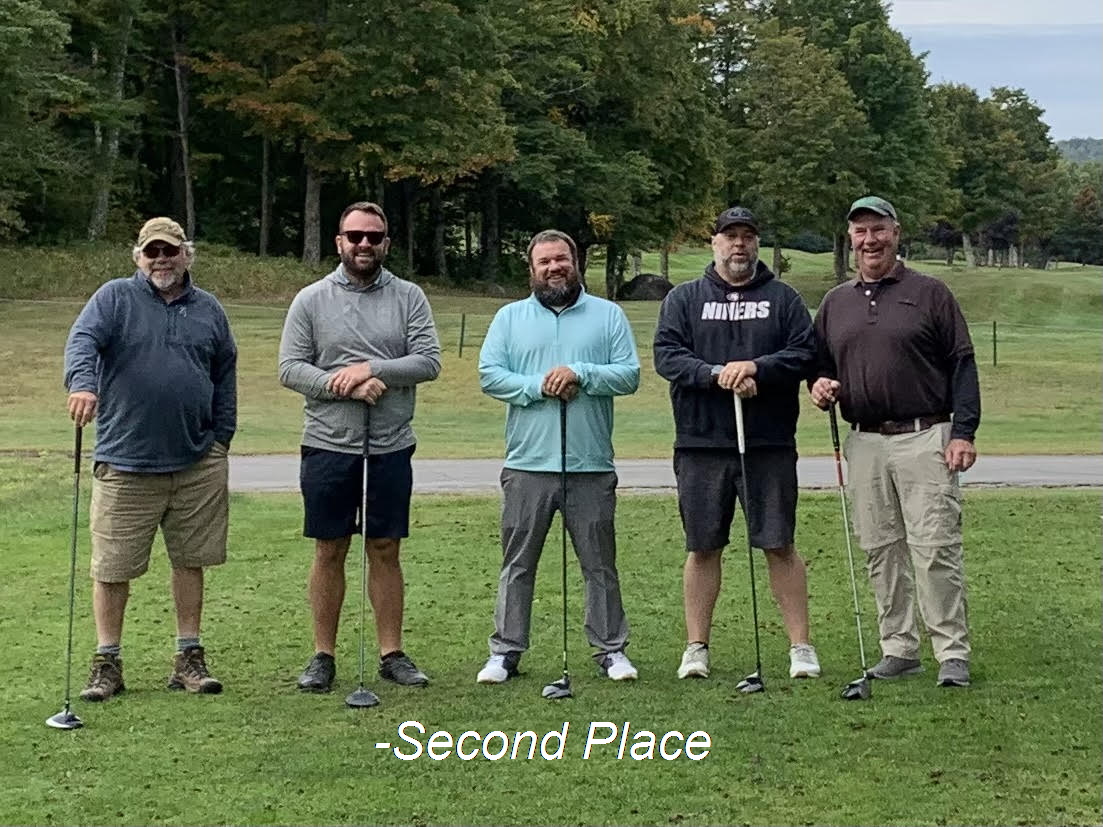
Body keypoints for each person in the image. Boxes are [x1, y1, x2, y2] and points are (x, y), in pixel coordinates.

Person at [64, 217, 237, 701]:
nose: (162, 259)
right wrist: (83, 383)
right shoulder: (114, 298)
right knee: (112, 567)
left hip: (196, 460)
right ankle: (107, 662)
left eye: (170, 250)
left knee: (191, 561)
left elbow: (225, 371)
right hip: (125, 460)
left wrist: (222, 438)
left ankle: (188, 658)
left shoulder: (209, 308)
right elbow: (83, 341)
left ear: (186, 255)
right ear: (138, 257)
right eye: (152, 251)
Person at [809, 195, 979, 688]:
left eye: (878, 229)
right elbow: (818, 364)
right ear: (851, 239)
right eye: (861, 232)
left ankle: (951, 652)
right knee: (881, 549)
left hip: (925, 436)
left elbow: (962, 363)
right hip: (864, 441)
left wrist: (963, 432)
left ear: (896, 233)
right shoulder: (836, 302)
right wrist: (819, 385)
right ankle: (899, 647)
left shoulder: (930, 293)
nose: (870, 240)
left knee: (934, 547)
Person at [279, 201, 441, 693]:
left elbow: (428, 361)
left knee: (385, 547)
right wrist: (344, 385)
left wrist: (372, 369)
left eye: (374, 236)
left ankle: (391, 653)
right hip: (328, 445)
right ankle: (322, 655)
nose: (364, 244)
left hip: (390, 444)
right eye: (355, 236)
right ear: (339, 242)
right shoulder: (311, 299)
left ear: (386, 243)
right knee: (330, 547)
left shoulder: (409, 297)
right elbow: (290, 368)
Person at [654, 206, 821, 682]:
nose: (739, 244)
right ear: (714, 243)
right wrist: (718, 375)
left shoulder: (783, 298)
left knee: (779, 543)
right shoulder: (684, 299)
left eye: (747, 236)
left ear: (757, 243)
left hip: (769, 443)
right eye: (730, 236)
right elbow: (668, 356)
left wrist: (756, 368)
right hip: (701, 444)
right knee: (703, 546)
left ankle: (801, 647)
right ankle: (696, 647)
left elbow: (803, 353)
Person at [475, 229, 641, 684]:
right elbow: (490, 375)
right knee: (518, 564)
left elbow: (628, 375)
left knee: (599, 564)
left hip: (590, 464)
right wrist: (538, 386)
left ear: (576, 262)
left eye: (561, 259)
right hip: (527, 463)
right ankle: (505, 652)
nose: (554, 268)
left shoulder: (608, 315)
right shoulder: (509, 318)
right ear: (531, 269)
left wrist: (581, 373)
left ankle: (611, 649)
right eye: (544, 262)